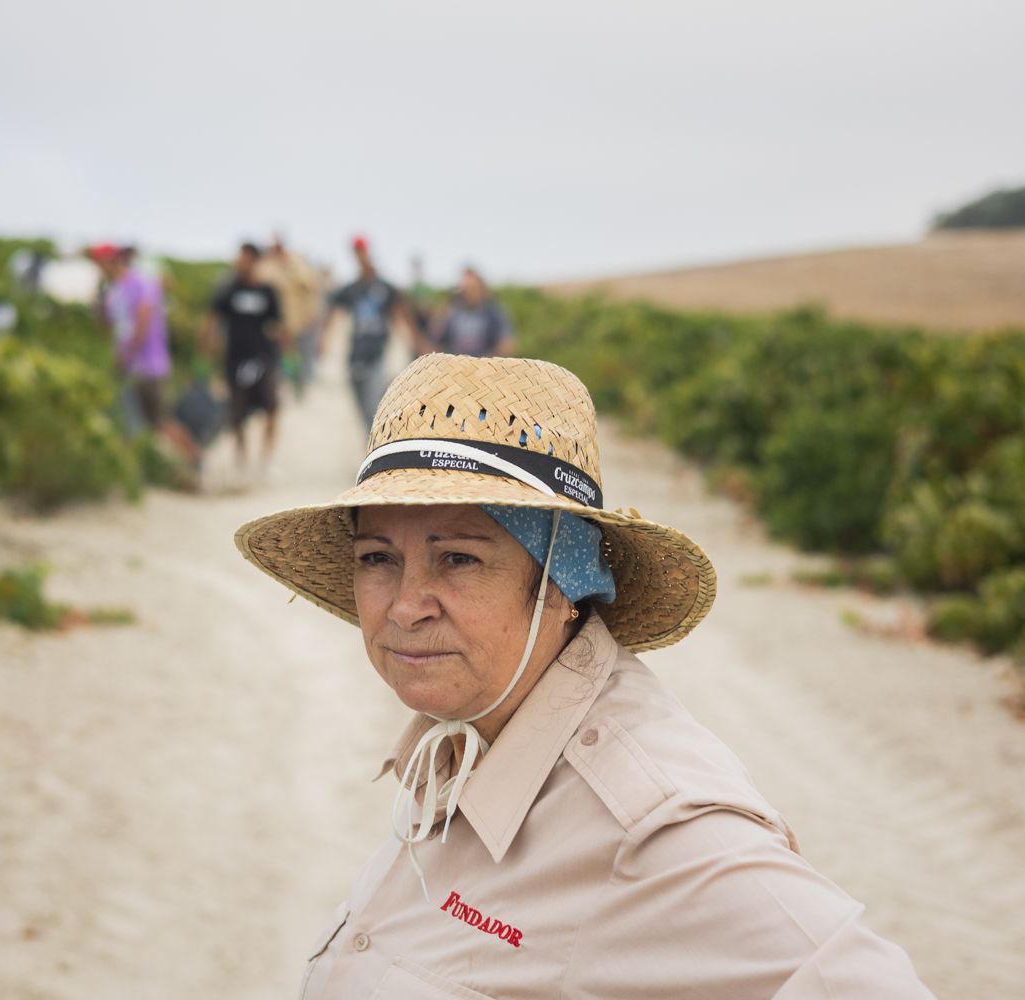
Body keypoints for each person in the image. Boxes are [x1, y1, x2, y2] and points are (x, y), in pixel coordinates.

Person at [234, 353, 934, 998]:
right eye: (378, 558)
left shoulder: (648, 825)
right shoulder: (468, 733)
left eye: (458, 559)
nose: (407, 605)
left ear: (563, 585)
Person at [318, 236, 426, 434]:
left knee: (373, 408)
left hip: (378, 355)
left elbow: (401, 317)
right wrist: (325, 339)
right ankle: (371, 447)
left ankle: (377, 448)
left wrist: (416, 344)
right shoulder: (351, 289)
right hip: (355, 355)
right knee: (362, 412)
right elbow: (333, 314)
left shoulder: (385, 288)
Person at [203, 243, 288, 479]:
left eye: (244, 258)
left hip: (263, 359)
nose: (239, 262)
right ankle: (241, 461)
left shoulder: (268, 291)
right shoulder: (228, 290)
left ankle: (266, 459)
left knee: (272, 408)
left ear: (254, 261)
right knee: (237, 413)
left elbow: (278, 325)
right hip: (235, 359)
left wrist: (287, 354)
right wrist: (206, 353)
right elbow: (212, 320)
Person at [88, 243, 171, 433]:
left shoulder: (141, 283)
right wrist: (98, 298)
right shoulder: (113, 291)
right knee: (136, 426)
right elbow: (105, 327)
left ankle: (195, 458)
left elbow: (143, 324)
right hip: (130, 367)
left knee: (160, 423)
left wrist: (125, 357)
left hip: (149, 364)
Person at [256, 233, 324, 398]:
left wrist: (311, 314)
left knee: (298, 355)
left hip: (298, 319)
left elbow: (312, 289)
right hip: (275, 322)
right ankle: (281, 385)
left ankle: (298, 384)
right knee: (278, 355)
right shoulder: (265, 266)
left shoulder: (298, 262)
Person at [429, 266, 515, 357]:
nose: (469, 293)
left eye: (473, 288)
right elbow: (435, 336)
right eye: (466, 289)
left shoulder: (493, 313)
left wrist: (489, 362)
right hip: (455, 364)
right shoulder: (452, 312)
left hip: (484, 364)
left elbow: (507, 344)